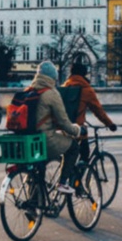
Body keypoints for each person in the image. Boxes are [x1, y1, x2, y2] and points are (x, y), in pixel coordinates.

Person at [28, 62, 84, 195]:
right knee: (73, 148)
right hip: (45, 140)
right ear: (53, 77)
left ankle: (35, 201)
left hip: (29, 140)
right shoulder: (51, 93)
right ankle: (63, 182)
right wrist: (78, 130)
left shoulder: (29, 90)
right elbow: (64, 122)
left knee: (39, 165)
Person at [62, 62, 118, 165]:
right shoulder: (86, 90)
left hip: (64, 128)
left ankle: (70, 176)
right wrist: (110, 124)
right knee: (84, 155)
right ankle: (77, 179)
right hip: (78, 130)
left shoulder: (64, 87)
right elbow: (98, 111)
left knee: (68, 157)